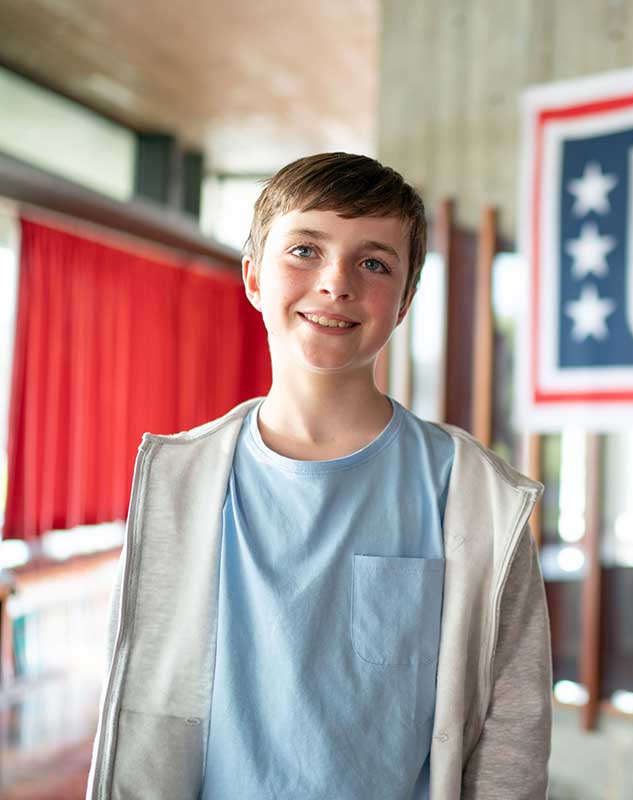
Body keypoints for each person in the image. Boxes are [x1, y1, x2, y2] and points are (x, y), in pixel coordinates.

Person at [85, 153, 552, 800]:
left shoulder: (477, 496)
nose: (336, 283)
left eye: (374, 263)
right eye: (305, 249)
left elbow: (515, 725)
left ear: (406, 299)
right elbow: (141, 704)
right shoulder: (177, 481)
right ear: (252, 277)